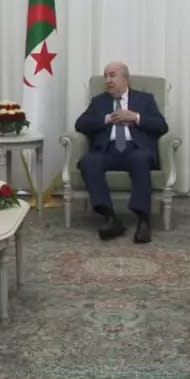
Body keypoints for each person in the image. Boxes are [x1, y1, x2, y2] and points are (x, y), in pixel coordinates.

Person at [75, 62, 169, 243]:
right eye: (106, 76)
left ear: (125, 78)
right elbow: (80, 124)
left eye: (112, 75)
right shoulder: (99, 101)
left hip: (135, 149)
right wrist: (107, 118)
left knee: (140, 159)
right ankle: (111, 217)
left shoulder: (145, 99)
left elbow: (161, 126)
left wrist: (136, 117)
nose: (108, 80)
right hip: (107, 150)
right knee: (89, 161)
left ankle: (143, 220)